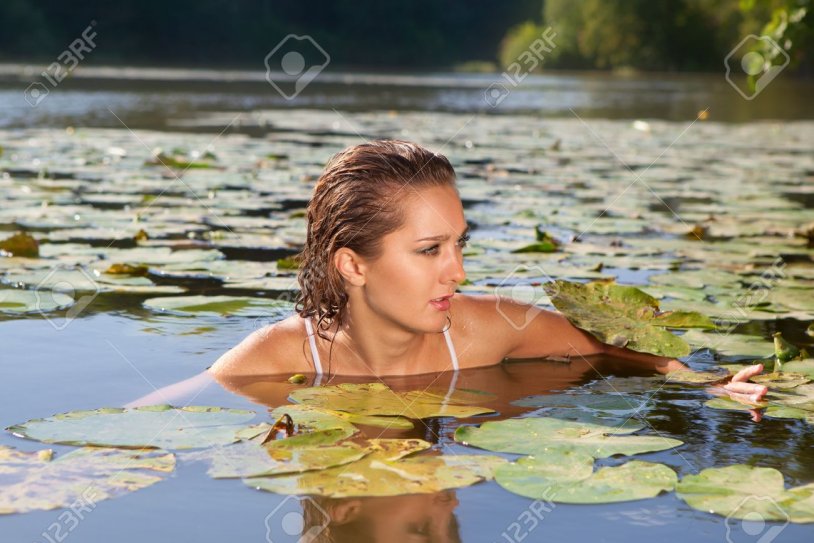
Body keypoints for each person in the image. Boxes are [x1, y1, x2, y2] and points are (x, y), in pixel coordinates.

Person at [129, 140, 766, 410]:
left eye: (458, 244)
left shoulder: (489, 332)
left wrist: (708, 383)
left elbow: (612, 355)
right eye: (430, 249)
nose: (458, 272)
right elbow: (161, 406)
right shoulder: (287, 353)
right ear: (353, 265)